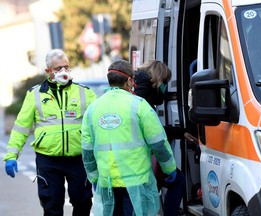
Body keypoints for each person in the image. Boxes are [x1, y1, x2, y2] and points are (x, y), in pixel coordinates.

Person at [4, 49, 96, 216]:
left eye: (66, 67)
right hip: (48, 160)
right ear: (48, 71)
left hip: (78, 159)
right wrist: (11, 155)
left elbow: (97, 123)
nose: (64, 72)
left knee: (83, 202)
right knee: (51, 204)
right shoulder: (35, 95)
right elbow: (21, 127)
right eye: (58, 68)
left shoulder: (85, 93)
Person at [81, 59, 177, 216]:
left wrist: (93, 178)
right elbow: (158, 143)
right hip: (136, 182)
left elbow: (87, 150)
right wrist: (170, 168)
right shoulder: (139, 105)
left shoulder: (93, 108)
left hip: (107, 181)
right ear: (129, 80)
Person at [134, 60, 195, 216]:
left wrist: (179, 132)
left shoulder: (136, 90)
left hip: (127, 159)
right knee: (178, 180)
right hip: (139, 158)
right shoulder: (144, 96)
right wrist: (178, 132)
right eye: (165, 82)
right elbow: (153, 133)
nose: (165, 87)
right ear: (159, 78)